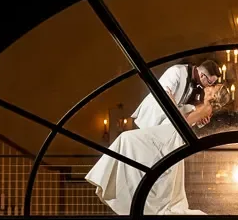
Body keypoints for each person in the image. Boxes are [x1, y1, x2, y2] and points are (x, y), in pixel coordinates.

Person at [85, 61, 226, 215]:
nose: (208, 87)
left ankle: (129, 192)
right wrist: (192, 114)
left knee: (128, 142)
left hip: (170, 130)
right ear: (202, 74)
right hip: (161, 122)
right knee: (133, 147)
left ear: (213, 97)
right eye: (210, 83)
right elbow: (166, 94)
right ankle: (135, 192)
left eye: (212, 86)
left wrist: (196, 115)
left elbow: (186, 120)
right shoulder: (177, 72)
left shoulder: (203, 103)